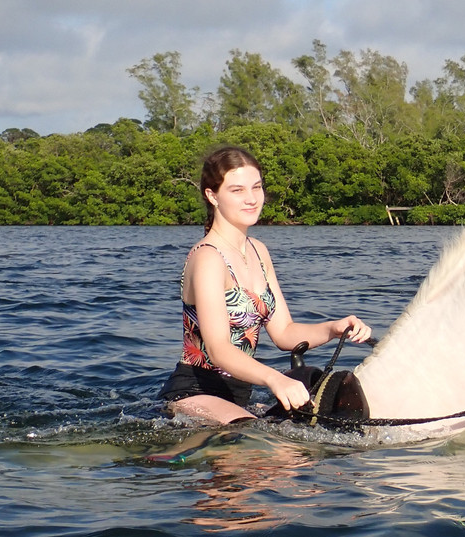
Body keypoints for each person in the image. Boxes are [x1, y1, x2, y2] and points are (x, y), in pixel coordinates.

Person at [159, 146, 372, 424]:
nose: (251, 199)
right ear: (212, 196)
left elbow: (284, 333)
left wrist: (334, 328)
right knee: (257, 439)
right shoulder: (208, 257)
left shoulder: (258, 251)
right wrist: (275, 379)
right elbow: (218, 349)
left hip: (239, 395)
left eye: (256, 187)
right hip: (195, 392)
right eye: (237, 191)